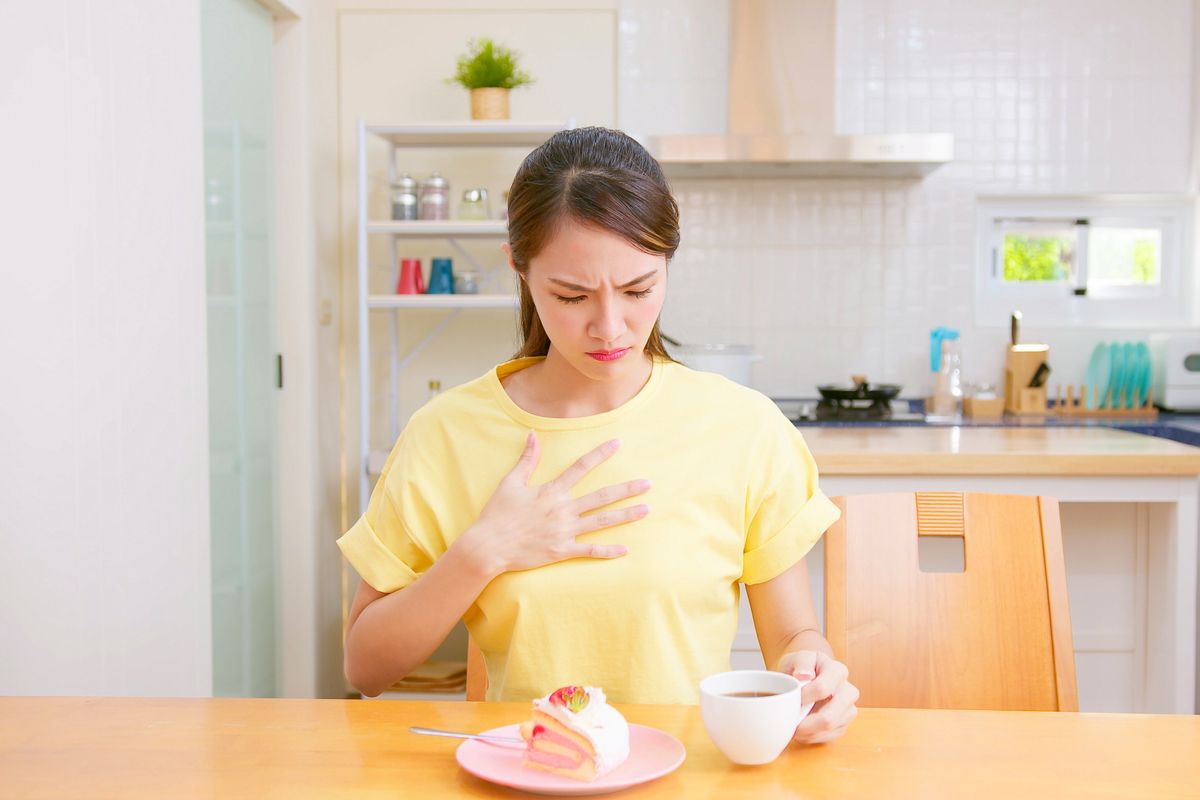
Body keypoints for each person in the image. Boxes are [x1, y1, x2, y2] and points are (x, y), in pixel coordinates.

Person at [339, 126, 858, 745]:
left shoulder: (743, 429)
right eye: (571, 295)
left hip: (685, 781)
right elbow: (366, 668)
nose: (610, 327)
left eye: (639, 290)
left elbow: (793, 639)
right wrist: (483, 551)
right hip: (527, 778)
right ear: (520, 269)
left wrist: (812, 672)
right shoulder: (448, 435)